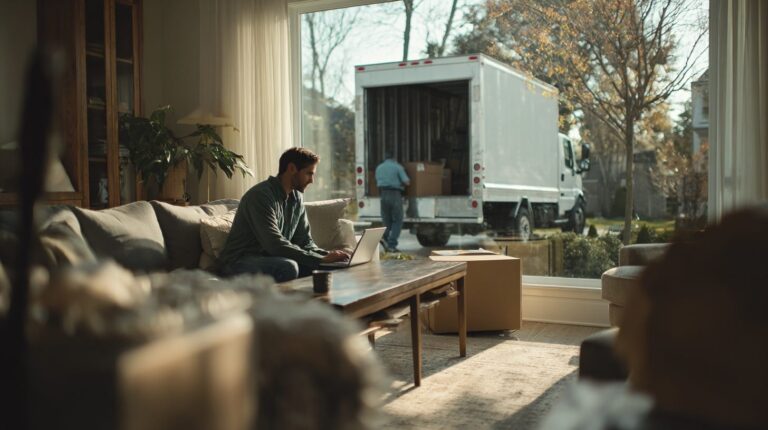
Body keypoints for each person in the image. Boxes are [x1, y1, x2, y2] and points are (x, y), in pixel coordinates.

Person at [219, 147, 350, 282]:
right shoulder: (260, 196)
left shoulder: (296, 198)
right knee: (288, 267)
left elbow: (305, 242)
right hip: (238, 262)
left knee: (336, 267)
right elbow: (274, 245)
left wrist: (330, 256)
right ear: (292, 168)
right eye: (309, 174)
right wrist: (320, 259)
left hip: (271, 258)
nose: (312, 180)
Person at [375, 150, 410, 252]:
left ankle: (385, 239)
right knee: (397, 220)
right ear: (394, 158)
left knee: (386, 220)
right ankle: (392, 244)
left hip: (383, 194)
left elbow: (377, 180)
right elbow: (407, 181)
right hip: (394, 194)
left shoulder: (379, 167)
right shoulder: (397, 167)